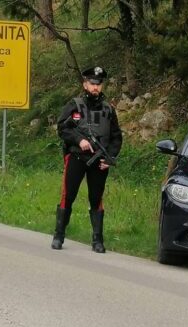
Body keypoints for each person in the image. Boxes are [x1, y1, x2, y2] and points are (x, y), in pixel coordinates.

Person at [51, 66, 123, 253]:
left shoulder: (109, 109)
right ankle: (59, 235)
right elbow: (62, 128)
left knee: (96, 198)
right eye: (92, 83)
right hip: (76, 157)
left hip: (100, 160)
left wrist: (111, 157)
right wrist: (79, 139)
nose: (95, 87)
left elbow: (116, 137)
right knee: (69, 195)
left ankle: (97, 240)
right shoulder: (74, 105)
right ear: (85, 84)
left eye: (98, 84)